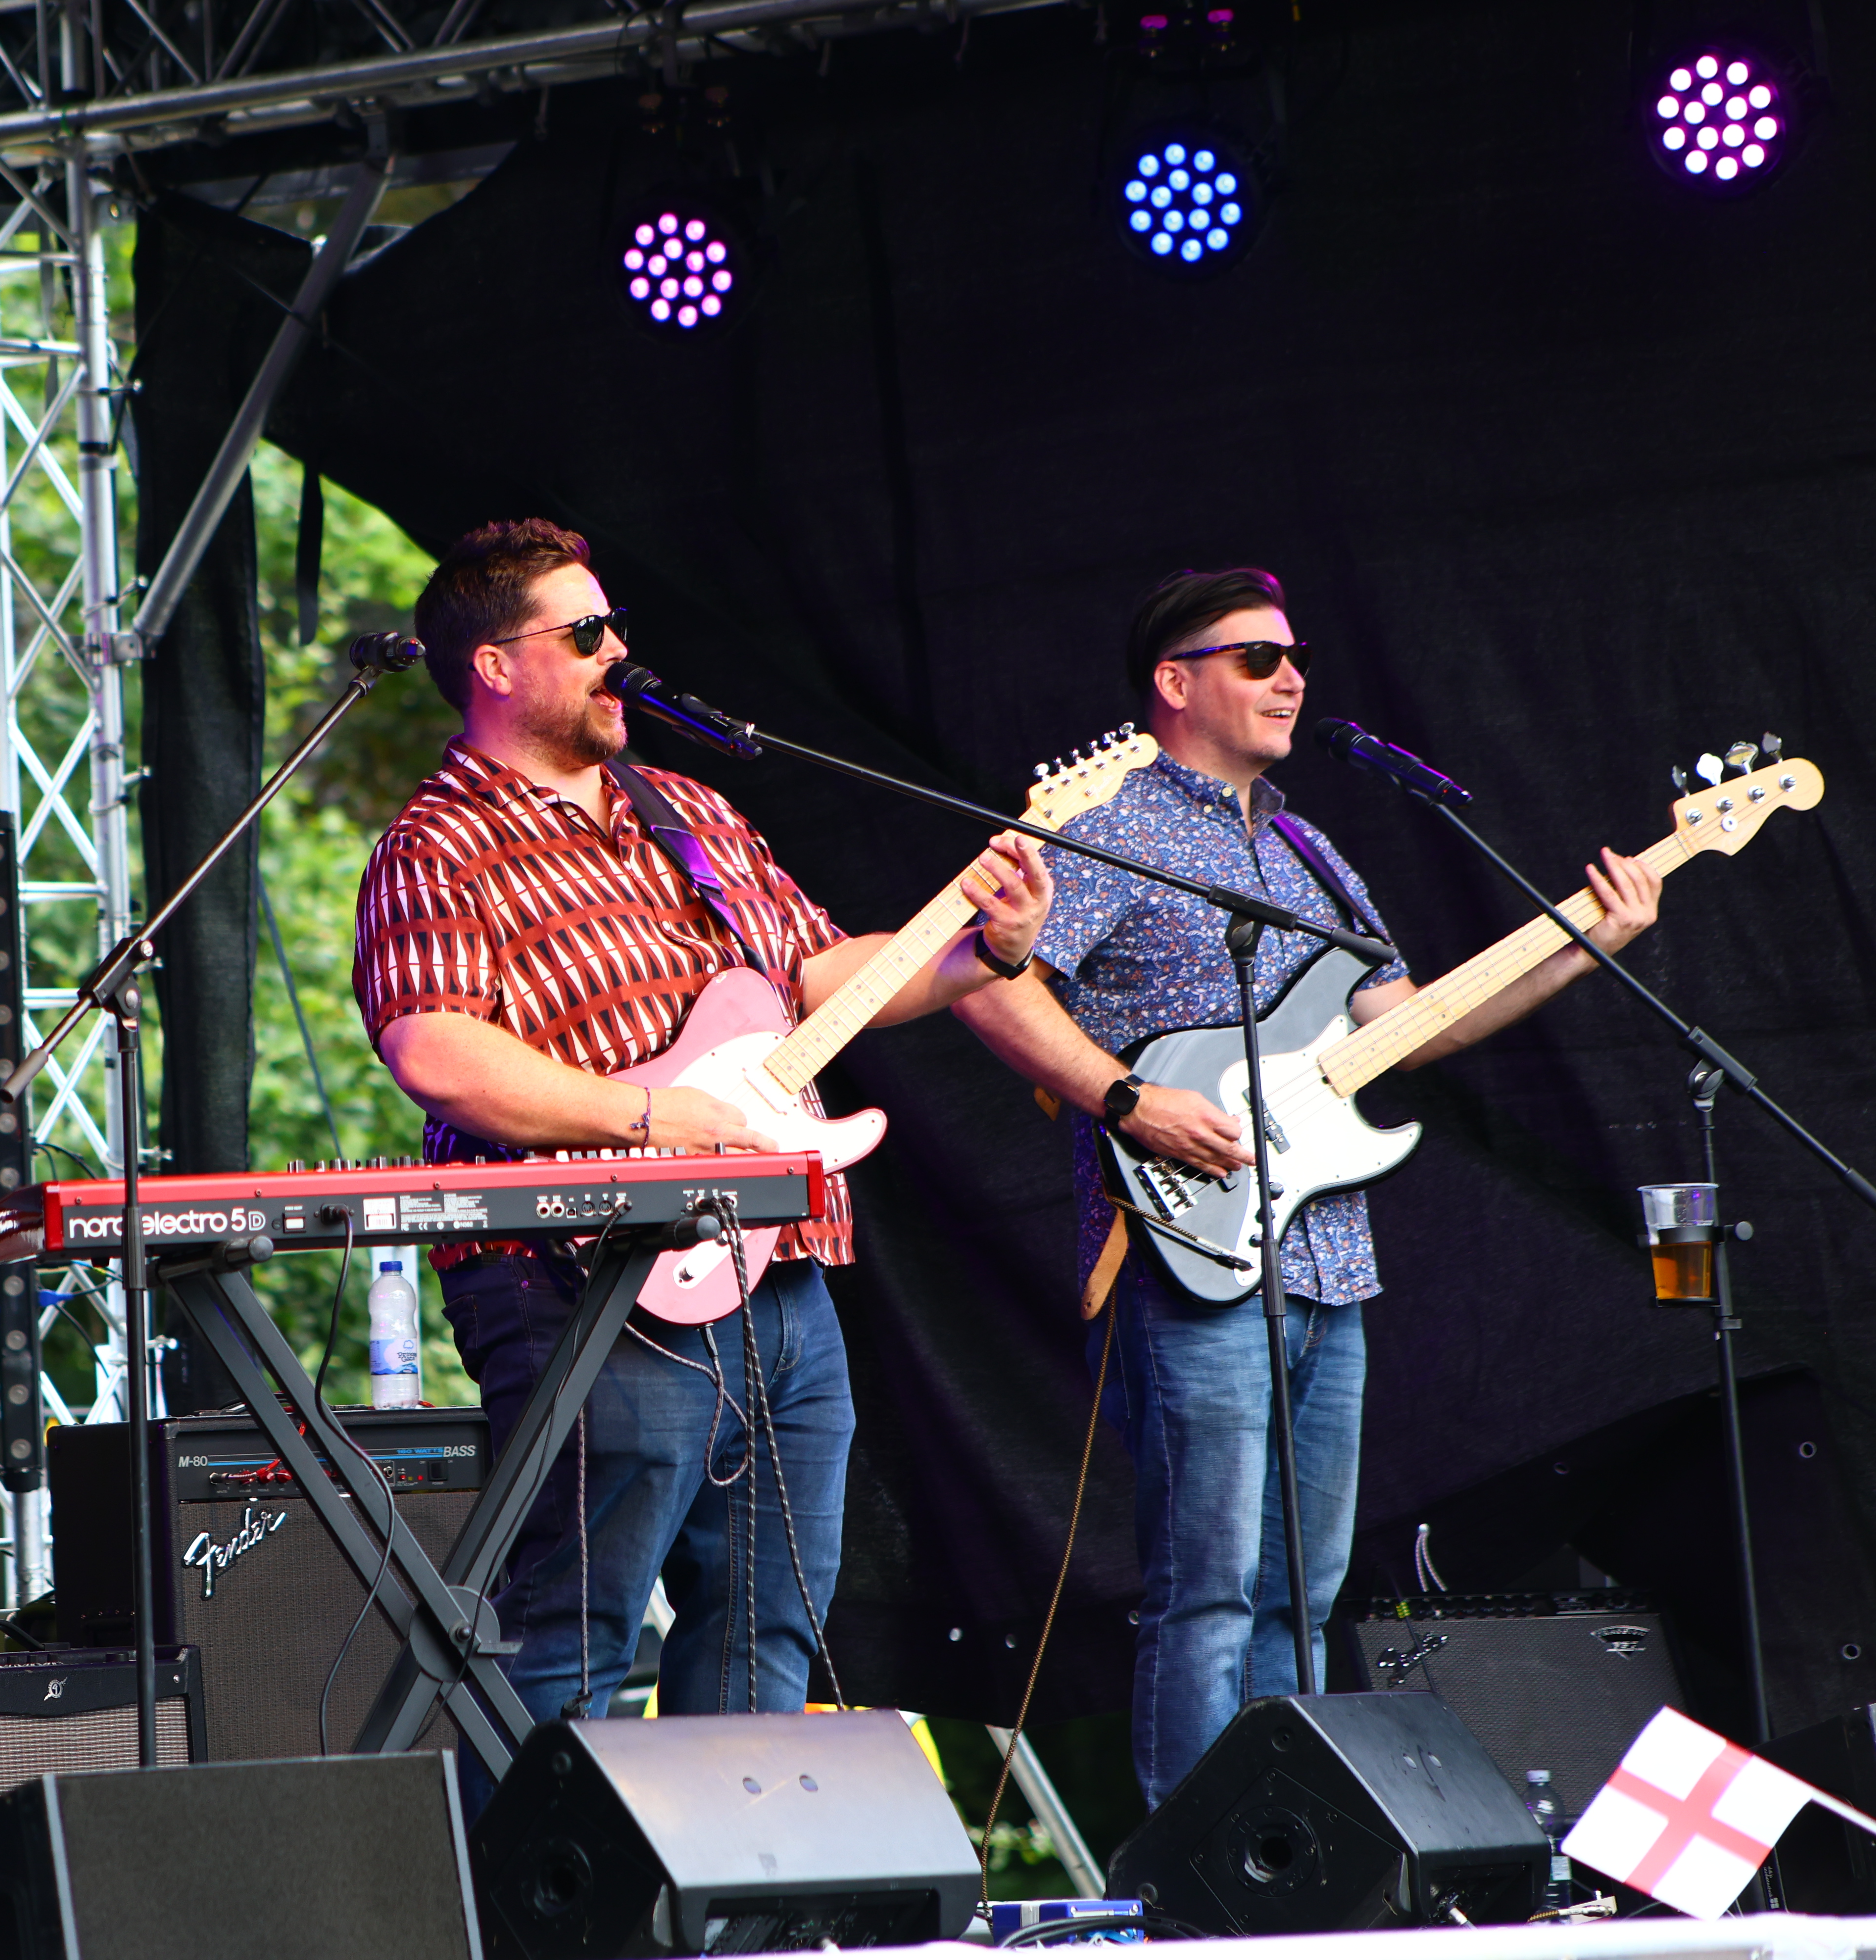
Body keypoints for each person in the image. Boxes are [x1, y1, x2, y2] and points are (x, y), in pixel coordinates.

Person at [951, 566, 1661, 1807]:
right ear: (1176, 683)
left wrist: (1583, 944)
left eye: (1298, 657)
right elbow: (989, 977)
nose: (1293, 677)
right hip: (1194, 1250)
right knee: (1210, 1582)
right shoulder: (1110, 827)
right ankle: (1192, 1867)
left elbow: (1409, 1022)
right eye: (1258, 658)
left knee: (1305, 1583)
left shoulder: (1306, 844)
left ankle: (1281, 1852)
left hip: (1327, 1247)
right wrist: (1124, 1095)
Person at [351, 518, 1051, 1759]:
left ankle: (727, 1919)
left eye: (617, 627)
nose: (619, 652)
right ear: (498, 664)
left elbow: (821, 973)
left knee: (767, 1628)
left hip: (777, 1271)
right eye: (585, 633)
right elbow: (437, 1050)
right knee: (579, 1633)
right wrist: (650, 1114)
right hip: (587, 1279)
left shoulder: (690, 808)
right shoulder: (438, 839)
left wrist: (979, 949)